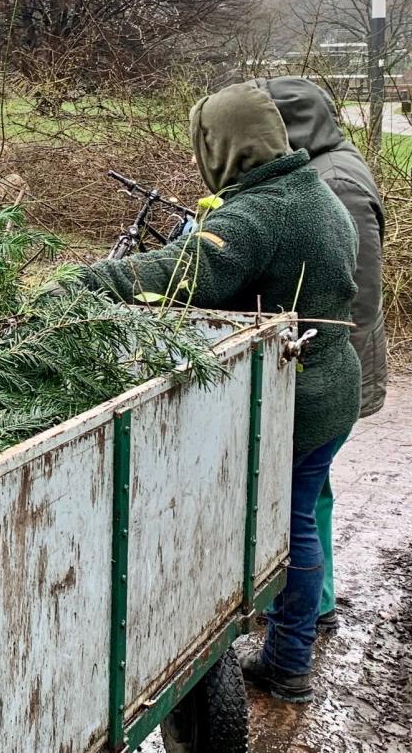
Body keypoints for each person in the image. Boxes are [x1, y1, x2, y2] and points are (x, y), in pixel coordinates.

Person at [72, 81, 360, 704]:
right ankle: (291, 642)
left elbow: (175, 273)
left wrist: (81, 283)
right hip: (333, 387)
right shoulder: (313, 190)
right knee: (300, 515)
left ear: (220, 145)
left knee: (290, 528)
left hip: (300, 401)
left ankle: (287, 663)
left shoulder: (259, 213)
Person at [258, 76, 387, 634]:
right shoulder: (340, 163)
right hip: (340, 352)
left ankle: (310, 604)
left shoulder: (330, 181)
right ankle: (309, 601)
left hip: (330, 356)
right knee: (313, 486)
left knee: (304, 495)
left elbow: (340, 285)